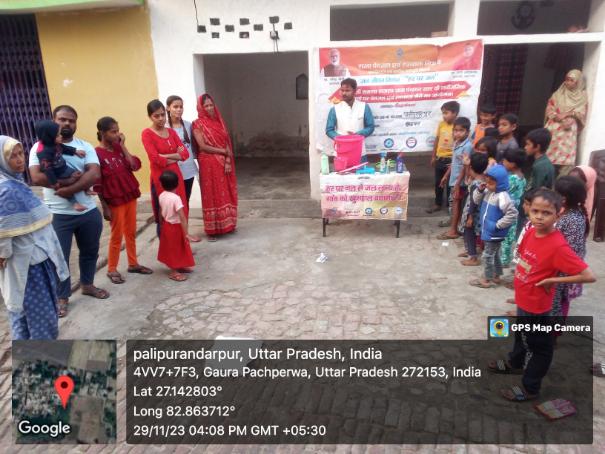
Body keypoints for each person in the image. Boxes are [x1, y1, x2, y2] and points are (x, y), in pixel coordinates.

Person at [489, 189, 595, 402]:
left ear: (558, 213)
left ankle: (530, 388)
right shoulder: (531, 232)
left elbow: (588, 276)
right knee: (521, 334)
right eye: (535, 211)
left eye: (546, 213)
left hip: (538, 307)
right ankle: (515, 363)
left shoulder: (558, 246)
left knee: (540, 349)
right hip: (524, 301)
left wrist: (553, 280)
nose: (539, 217)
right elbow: (528, 265)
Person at [29, 105, 108, 317]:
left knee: (90, 252)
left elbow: (94, 174)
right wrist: (69, 183)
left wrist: (69, 190)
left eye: (71, 120)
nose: (66, 123)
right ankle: (62, 297)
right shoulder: (39, 147)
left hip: (88, 212)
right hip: (57, 215)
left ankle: (87, 285)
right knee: (59, 258)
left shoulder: (84, 146)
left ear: (75, 123)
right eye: (62, 119)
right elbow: (36, 177)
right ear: (54, 121)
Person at [1, 136, 69, 339]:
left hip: (33, 259)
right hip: (29, 265)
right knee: (41, 318)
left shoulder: (14, 181)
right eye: (12, 156)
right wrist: (2, 254)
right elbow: (4, 230)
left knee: (22, 314)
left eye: (20, 153)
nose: (19, 160)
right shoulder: (6, 189)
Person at [95, 117, 152, 285]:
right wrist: (105, 207)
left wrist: (123, 146)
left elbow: (134, 166)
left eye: (117, 131)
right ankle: (111, 269)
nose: (117, 134)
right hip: (114, 200)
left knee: (131, 231)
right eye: (113, 132)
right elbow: (98, 182)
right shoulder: (96, 154)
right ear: (102, 133)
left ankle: (133, 263)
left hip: (129, 195)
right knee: (117, 235)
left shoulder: (119, 148)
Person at [141, 99, 192, 238]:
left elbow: (185, 154)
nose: (160, 118)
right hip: (161, 179)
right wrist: (176, 156)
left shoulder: (171, 132)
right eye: (156, 116)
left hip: (176, 177)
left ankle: (182, 242)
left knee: (180, 208)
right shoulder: (147, 134)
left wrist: (165, 156)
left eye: (162, 114)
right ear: (150, 117)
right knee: (164, 211)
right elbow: (155, 159)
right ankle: (166, 244)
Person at [192, 94, 239, 240]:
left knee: (225, 192)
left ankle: (227, 225)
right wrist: (223, 152)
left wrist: (227, 160)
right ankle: (212, 230)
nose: (209, 108)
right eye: (206, 106)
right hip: (208, 164)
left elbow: (226, 141)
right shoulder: (197, 124)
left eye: (211, 105)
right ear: (201, 108)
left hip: (222, 164)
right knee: (211, 194)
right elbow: (202, 146)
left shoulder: (219, 122)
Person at [469, 165, 518, 288]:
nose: (488, 184)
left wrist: (498, 225)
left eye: (492, 183)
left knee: (487, 255)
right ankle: (497, 275)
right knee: (494, 254)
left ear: (500, 183)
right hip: (489, 231)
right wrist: (479, 190)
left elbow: (513, 214)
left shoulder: (503, 196)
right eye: (487, 181)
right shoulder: (488, 192)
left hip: (494, 232)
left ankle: (486, 279)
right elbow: (475, 200)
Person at [550, 176, 590, 320]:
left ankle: (554, 330)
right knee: (558, 300)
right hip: (564, 267)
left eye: (554, 192)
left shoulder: (572, 219)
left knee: (556, 302)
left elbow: (570, 250)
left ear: (564, 199)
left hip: (564, 270)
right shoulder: (572, 213)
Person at [34, 120, 88, 212]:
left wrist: (75, 151)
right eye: (58, 135)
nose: (61, 136)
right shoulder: (43, 152)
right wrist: (54, 182)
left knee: (80, 174)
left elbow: (63, 148)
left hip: (63, 168)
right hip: (56, 173)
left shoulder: (53, 143)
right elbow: (47, 168)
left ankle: (87, 190)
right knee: (64, 189)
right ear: (49, 137)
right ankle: (75, 203)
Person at [544, 69, 588, 176]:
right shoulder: (558, 94)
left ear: (578, 82)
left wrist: (569, 115)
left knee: (566, 159)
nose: (568, 82)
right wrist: (556, 116)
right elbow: (549, 108)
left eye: (571, 80)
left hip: (568, 130)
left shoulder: (582, 96)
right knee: (548, 157)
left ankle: (561, 183)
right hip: (554, 128)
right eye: (567, 79)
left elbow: (582, 113)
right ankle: (546, 181)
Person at [437, 117, 472, 240]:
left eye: (461, 130)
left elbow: (464, 166)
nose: (457, 133)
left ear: (467, 132)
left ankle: (453, 231)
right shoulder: (456, 143)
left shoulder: (467, 146)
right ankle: (455, 228)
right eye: (455, 130)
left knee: (456, 204)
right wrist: (446, 176)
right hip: (454, 180)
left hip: (460, 183)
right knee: (453, 204)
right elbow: (454, 163)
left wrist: (457, 184)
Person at [157, 170, 195, 282]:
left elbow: (160, 211)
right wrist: (186, 233)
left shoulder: (161, 195)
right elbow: (182, 217)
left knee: (175, 248)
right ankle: (173, 272)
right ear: (177, 184)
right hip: (176, 227)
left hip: (167, 225)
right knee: (176, 249)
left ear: (162, 184)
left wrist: (161, 223)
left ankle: (180, 266)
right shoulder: (176, 198)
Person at [166, 95, 200, 218]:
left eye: (181, 107)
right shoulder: (165, 127)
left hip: (188, 169)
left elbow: (194, 146)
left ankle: (185, 227)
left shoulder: (188, 125)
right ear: (168, 108)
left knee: (185, 200)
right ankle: (175, 227)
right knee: (174, 201)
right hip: (173, 170)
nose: (179, 109)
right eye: (175, 107)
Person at [325, 78, 375, 158]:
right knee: (342, 167)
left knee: (360, 166)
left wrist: (357, 135)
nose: (344, 93)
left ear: (355, 91)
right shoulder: (335, 109)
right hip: (341, 152)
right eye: (342, 90)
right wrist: (342, 139)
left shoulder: (364, 107)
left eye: (347, 90)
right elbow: (329, 130)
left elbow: (370, 127)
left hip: (360, 152)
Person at [427, 101, 459, 213]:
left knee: (450, 184)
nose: (444, 116)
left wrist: (455, 161)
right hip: (440, 158)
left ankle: (450, 206)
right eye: (443, 113)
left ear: (454, 113)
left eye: (446, 113)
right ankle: (438, 203)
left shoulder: (458, 127)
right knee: (438, 183)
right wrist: (433, 156)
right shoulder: (441, 124)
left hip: (451, 160)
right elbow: (437, 140)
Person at [460, 152, 489, 266]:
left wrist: (470, 217)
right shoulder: (484, 180)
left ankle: (473, 257)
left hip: (472, 213)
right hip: (479, 212)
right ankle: (470, 251)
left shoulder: (475, 184)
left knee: (469, 232)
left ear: (471, 167)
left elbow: (473, 201)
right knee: (474, 233)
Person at [500, 149, 527, 267]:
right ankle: (505, 258)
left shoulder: (511, 179)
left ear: (513, 164)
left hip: (507, 210)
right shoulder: (522, 177)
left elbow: (502, 192)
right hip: (514, 210)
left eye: (505, 160)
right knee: (509, 235)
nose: (503, 162)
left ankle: (504, 260)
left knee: (505, 237)